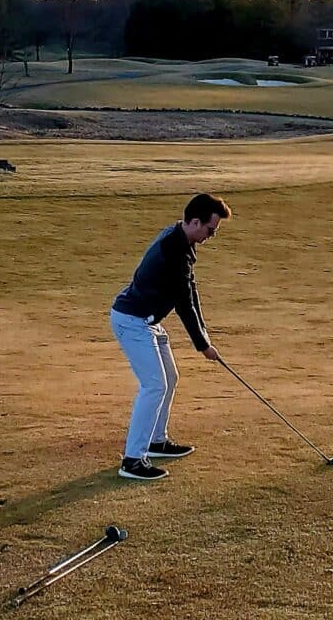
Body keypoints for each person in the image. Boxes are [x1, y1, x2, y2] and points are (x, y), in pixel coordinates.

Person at [110, 193, 232, 480]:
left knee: (170, 378)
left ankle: (156, 441)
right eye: (210, 230)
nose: (210, 236)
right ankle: (132, 460)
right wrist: (203, 345)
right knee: (154, 385)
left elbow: (191, 293)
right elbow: (183, 304)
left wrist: (205, 335)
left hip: (147, 321)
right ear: (194, 221)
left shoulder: (182, 241)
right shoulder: (174, 249)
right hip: (132, 320)